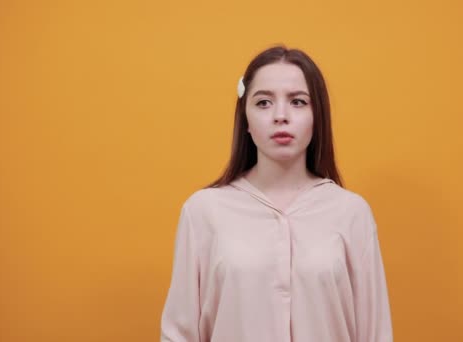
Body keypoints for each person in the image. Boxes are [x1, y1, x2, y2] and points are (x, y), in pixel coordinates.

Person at [160, 45, 393, 342]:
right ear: (245, 119)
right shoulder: (203, 211)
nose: (280, 116)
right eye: (263, 103)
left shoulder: (351, 213)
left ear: (317, 116)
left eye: (297, 102)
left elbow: (374, 332)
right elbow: (179, 333)